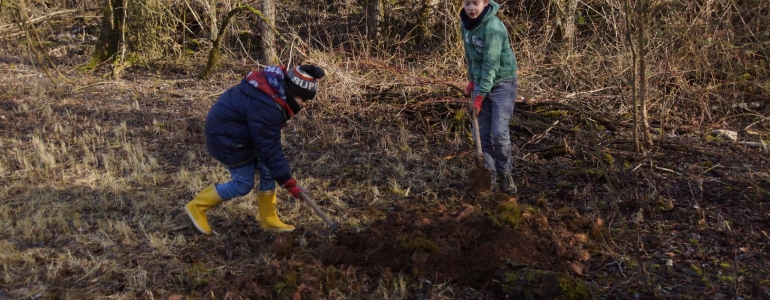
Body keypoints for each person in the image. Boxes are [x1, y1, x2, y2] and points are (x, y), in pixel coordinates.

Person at [185, 64, 326, 234]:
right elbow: (269, 148)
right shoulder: (268, 106)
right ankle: (197, 206)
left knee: (268, 169)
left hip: (241, 133)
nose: (303, 105)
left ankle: (269, 218)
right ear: (292, 91)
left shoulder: (273, 87)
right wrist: (288, 183)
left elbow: (267, 145)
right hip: (227, 140)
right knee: (243, 184)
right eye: (303, 100)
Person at [461, 0, 519, 195]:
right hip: (481, 82)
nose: (471, 8)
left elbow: (491, 66)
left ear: (485, 3)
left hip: (502, 82)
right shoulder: (465, 25)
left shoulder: (493, 28)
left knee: (499, 133)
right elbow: (470, 56)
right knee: (481, 132)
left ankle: (505, 173)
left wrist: (479, 96)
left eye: (475, 3)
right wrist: (471, 80)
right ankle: (489, 174)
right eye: (467, 3)